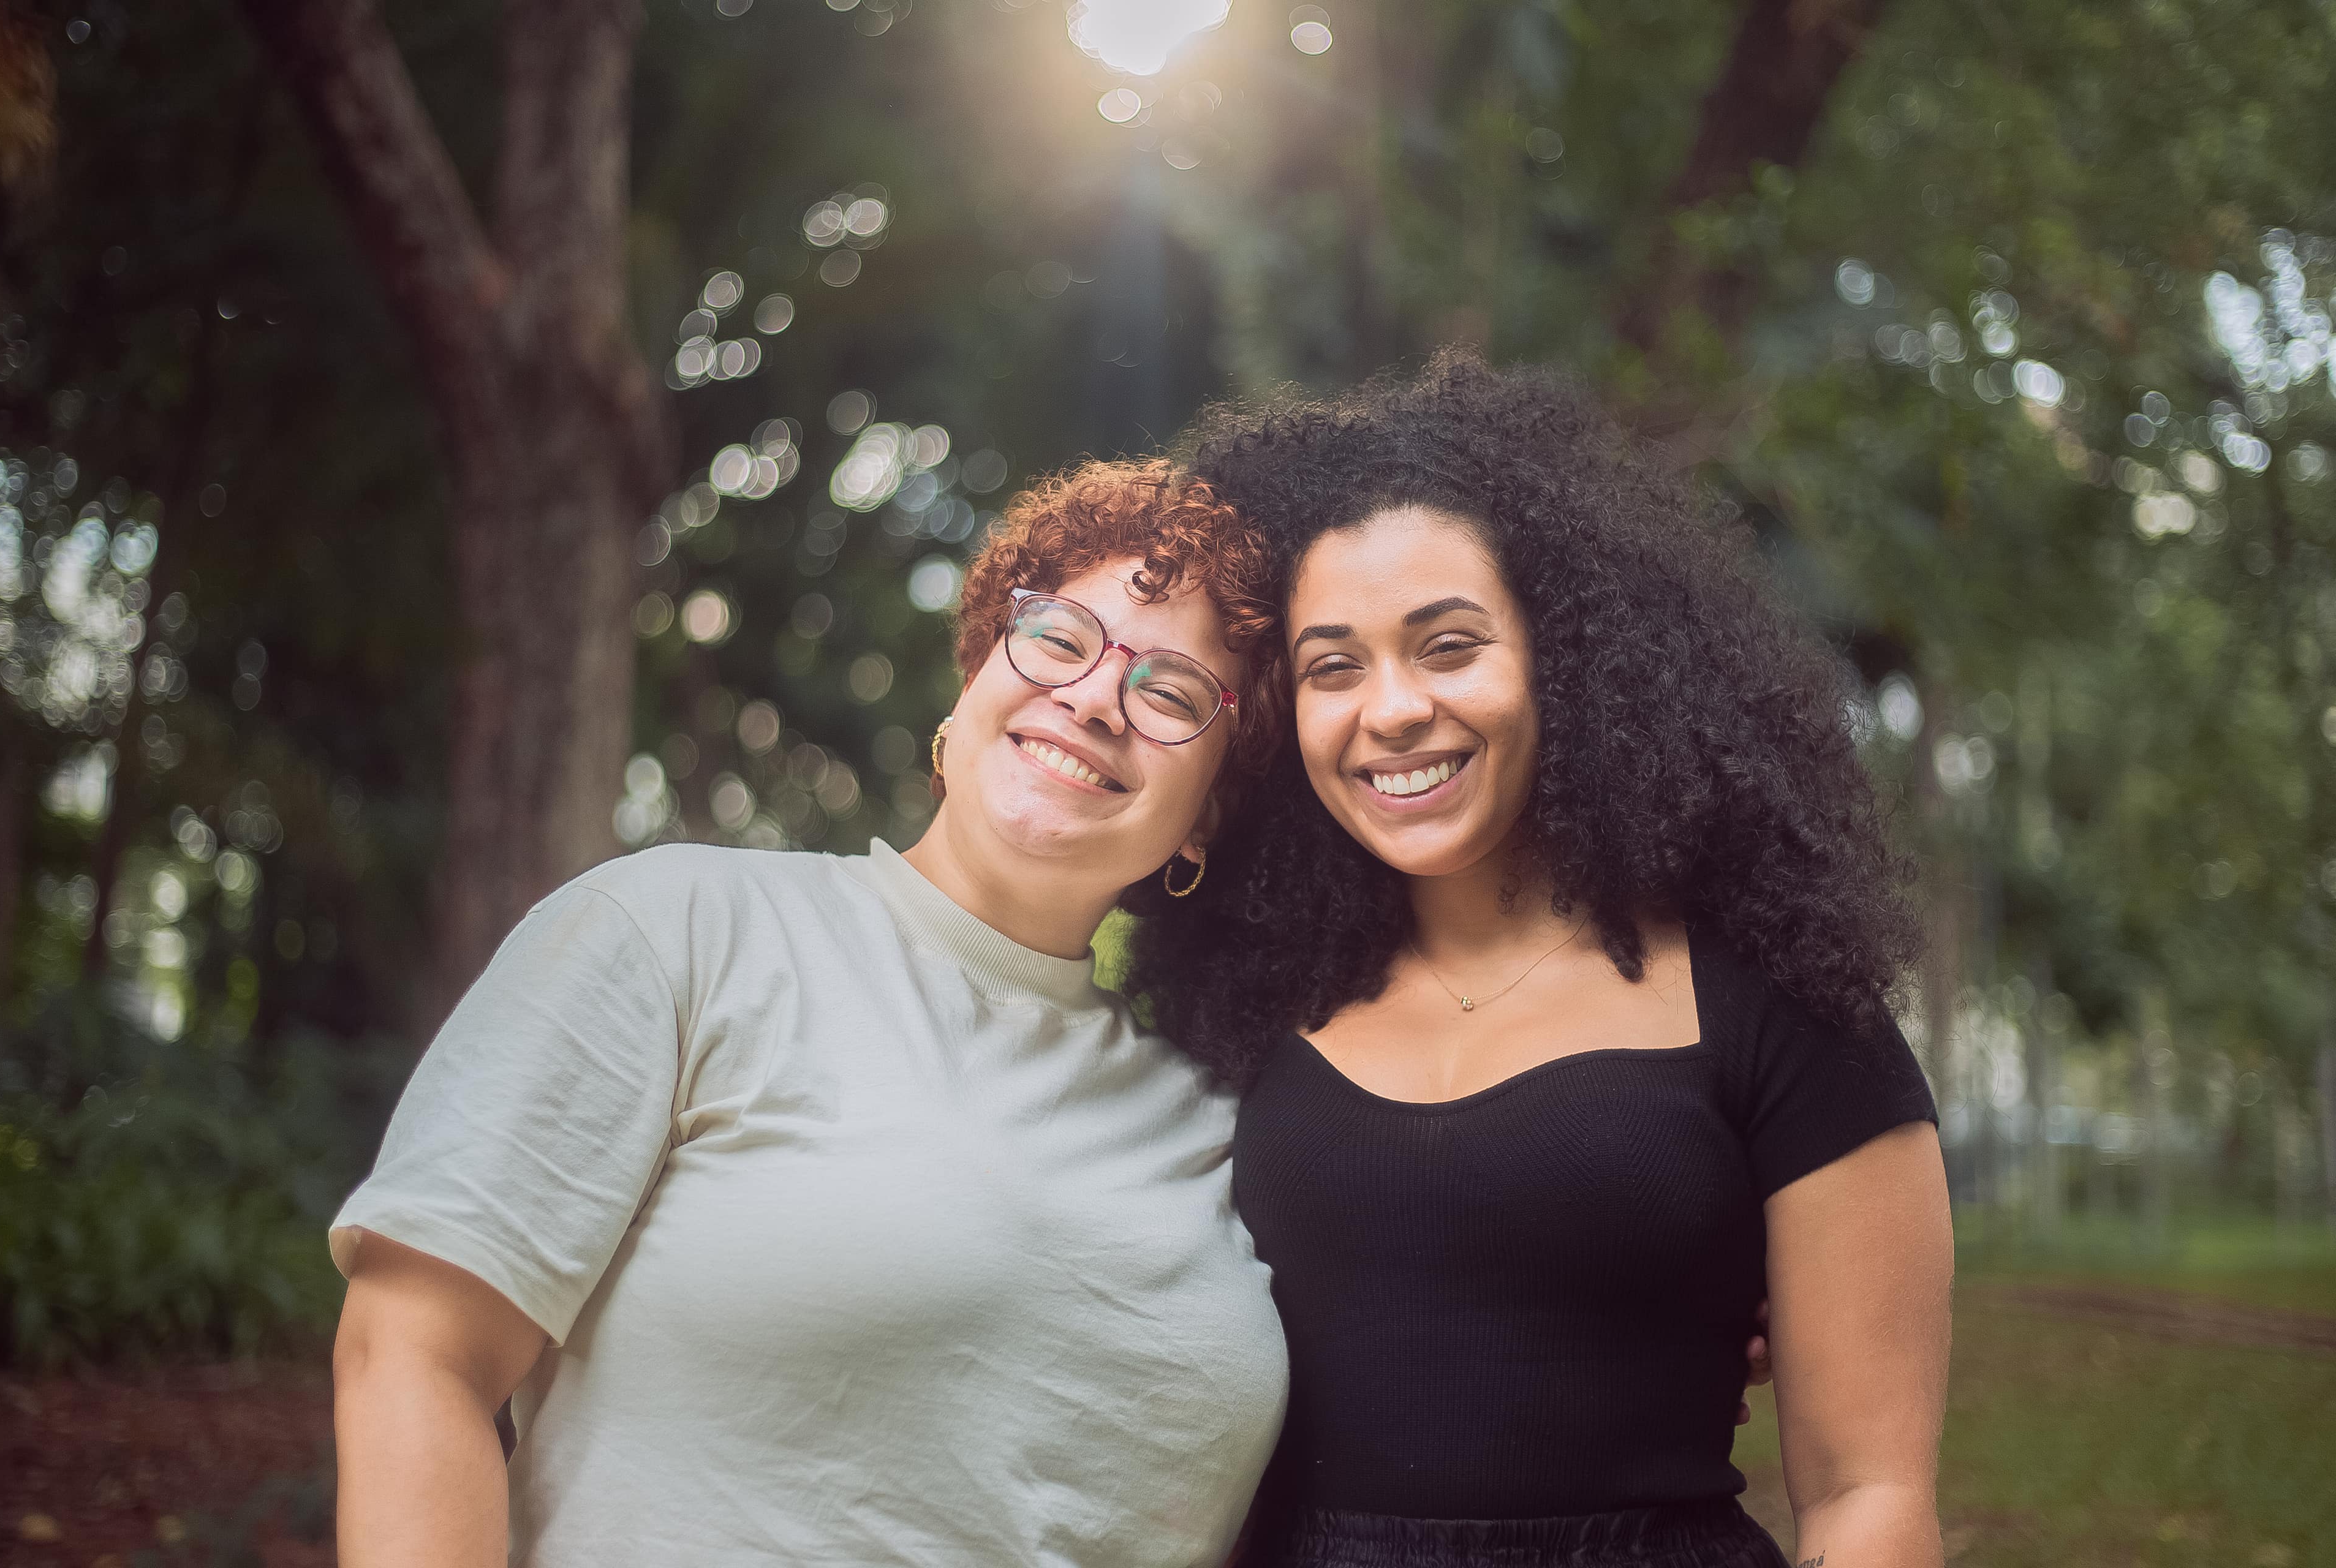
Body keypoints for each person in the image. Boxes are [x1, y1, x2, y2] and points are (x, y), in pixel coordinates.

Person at [325, 459, 1292, 1566]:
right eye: (1059, 640)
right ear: (976, 673)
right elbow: (411, 1354)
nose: (1092, 696)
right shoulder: (680, 930)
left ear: (1212, 812)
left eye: (1170, 692)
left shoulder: (1230, 1124)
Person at [1133, 355, 1954, 1568]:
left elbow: (1868, 1495)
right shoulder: (1235, 1018)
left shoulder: (1781, 1008)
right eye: (1333, 666)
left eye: (1449, 644)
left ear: (1565, 659)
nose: (1394, 708)